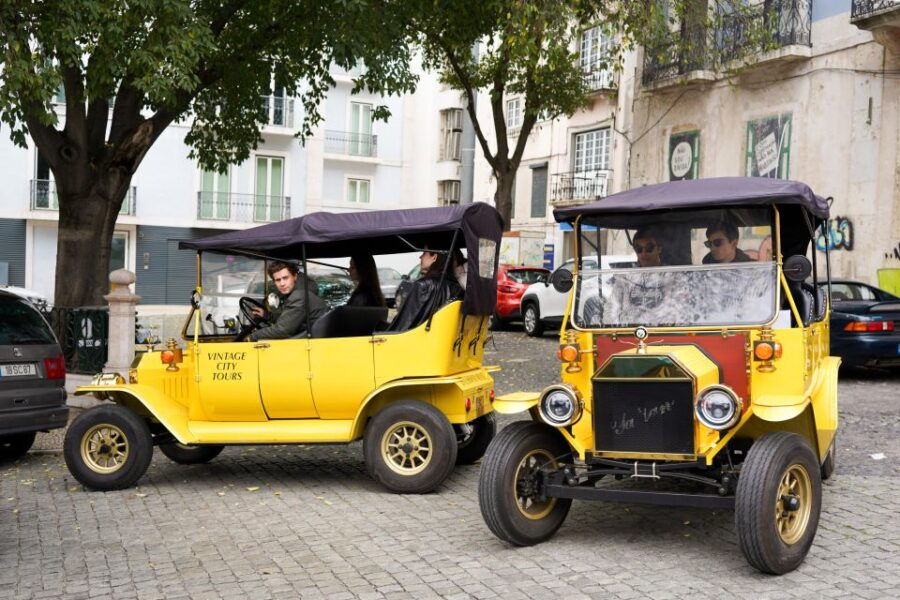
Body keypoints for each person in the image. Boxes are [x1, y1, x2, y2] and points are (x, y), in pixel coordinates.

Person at [388, 246, 463, 332]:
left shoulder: (422, 286)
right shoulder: (457, 287)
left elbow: (402, 326)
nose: (420, 257)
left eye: (424, 253)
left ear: (434, 257)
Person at [247, 261, 328, 341]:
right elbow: (289, 319)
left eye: (285, 278)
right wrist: (266, 315)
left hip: (311, 343)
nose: (282, 283)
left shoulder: (299, 296)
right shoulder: (298, 293)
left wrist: (251, 337)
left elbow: (282, 330)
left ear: (295, 276)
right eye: (278, 280)